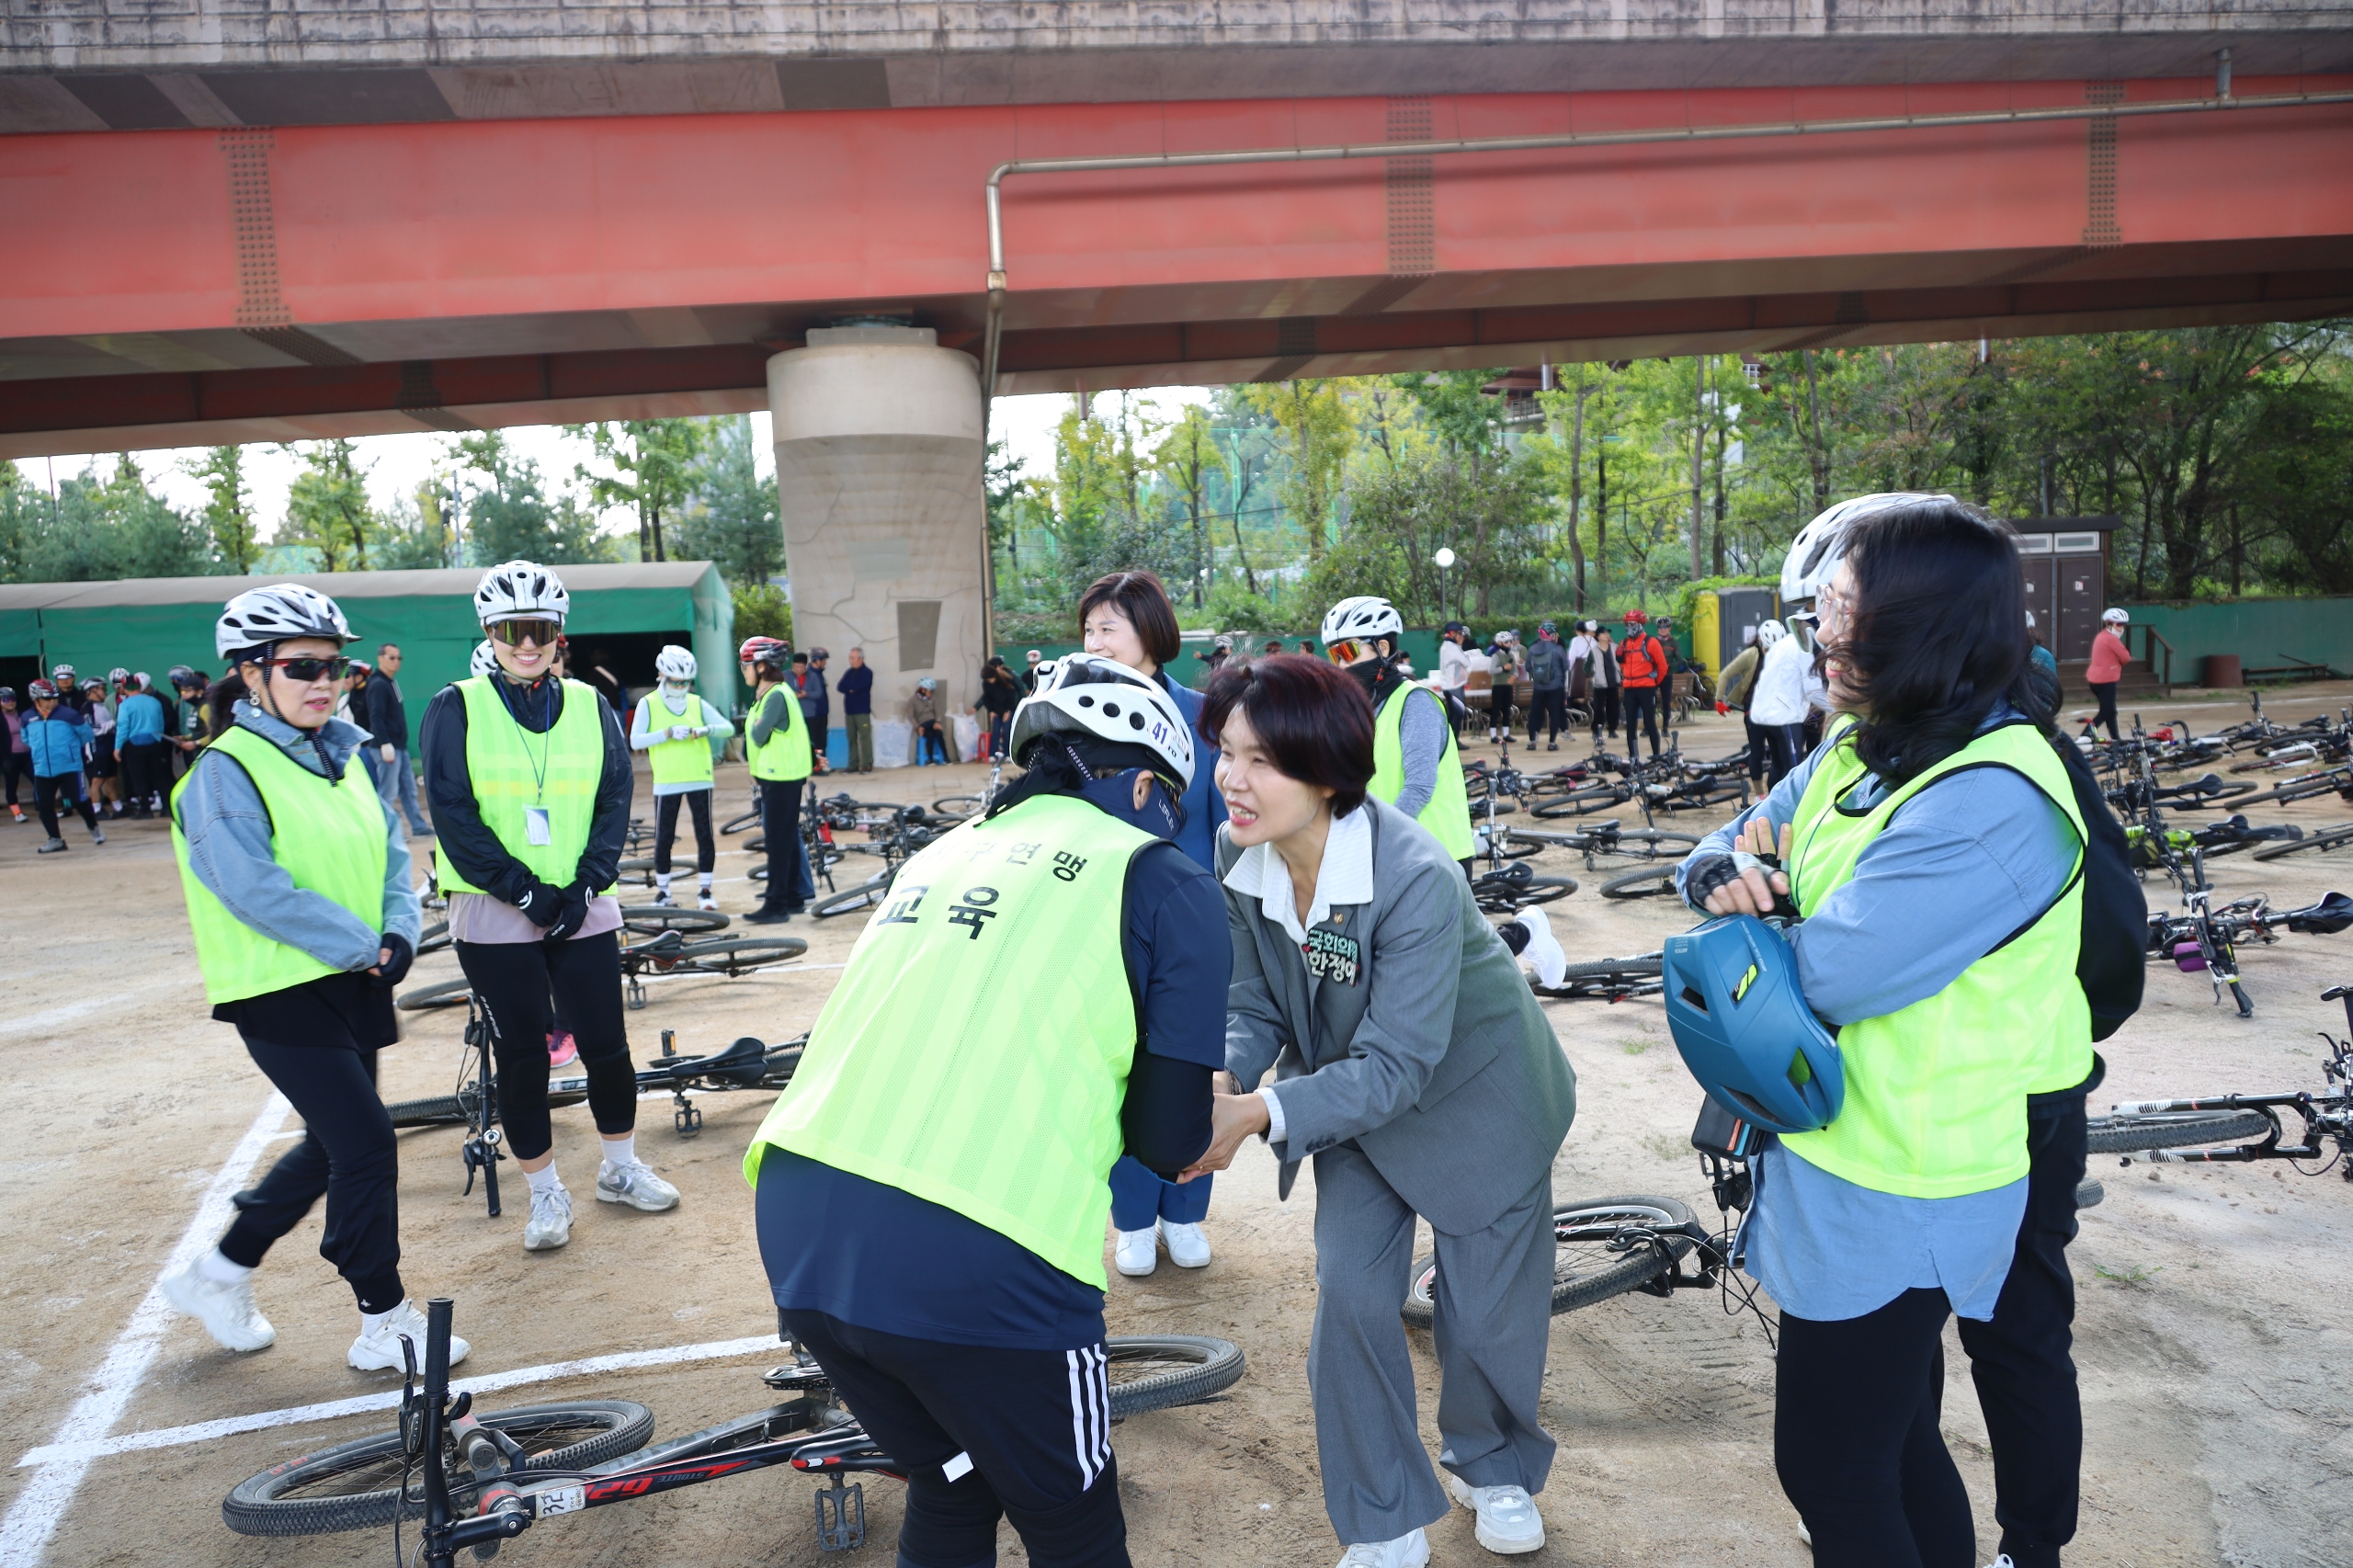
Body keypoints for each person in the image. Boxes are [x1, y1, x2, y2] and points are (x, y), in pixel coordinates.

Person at [1676, 497, 2087, 1568]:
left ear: (1925, 624)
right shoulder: (1865, 743)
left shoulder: (1992, 798)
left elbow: (1827, 974)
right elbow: (1733, 838)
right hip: (1842, 1151)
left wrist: (1754, 922)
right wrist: (1721, 870)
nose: (1820, 633)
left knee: (1830, 1468)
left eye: (1842, 610)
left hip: (1913, 1174)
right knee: (1894, 1445)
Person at [745, 653, 1222, 1568]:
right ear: (1138, 784)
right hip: (984, 1256)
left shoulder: (941, 851)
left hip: (803, 1220)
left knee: (953, 1481)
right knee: (1076, 1532)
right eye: (1171, 798)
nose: (1173, 818)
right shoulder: (1162, 878)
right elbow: (1170, 1140)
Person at [1182, 654, 1577, 1568]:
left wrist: (1259, 1113)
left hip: (1481, 1098)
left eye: (1260, 760)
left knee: (1487, 1313)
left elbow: (1401, 1060)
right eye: (1226, 753)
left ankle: (1493, 1463)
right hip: (1348, 1099)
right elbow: (1252, 1000)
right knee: (1352, 1296)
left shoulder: (1414, 874)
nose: (1232, 779)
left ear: (1327, 772)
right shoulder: (1238, 851)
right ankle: (1382, 1510)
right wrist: (1224, 1077)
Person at [154, 584, 455, 1370]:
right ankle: (383, 1318)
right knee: (365, 1143)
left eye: (335, 667)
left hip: (357, 975)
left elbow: (390, 852)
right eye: (301, 667)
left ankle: (219, 1273)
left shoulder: (343, 754)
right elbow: (252, 888)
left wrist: (399, 931)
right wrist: (365, 945)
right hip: (279, 988)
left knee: (332, 1145)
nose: (324, 682)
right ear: (252, 674)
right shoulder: (224, 771)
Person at [422, 560, 679, 1255]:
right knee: (523, 1058)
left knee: (606, 1046)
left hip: (581, 900)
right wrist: (524, 890)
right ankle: (545, 1192)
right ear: (489, 632)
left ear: (559, 632)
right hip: (495, 904)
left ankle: (619, 1170)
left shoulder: (592, 704)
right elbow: (452, 811)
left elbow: (615, 795)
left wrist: (587, 881)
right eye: (512, 630)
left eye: (540, 629)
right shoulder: (455, 705)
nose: (527, 643)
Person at [1077, 568, 1231, 1275]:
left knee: (1188, 1071)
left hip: (1192, 928)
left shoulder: (1203, 716)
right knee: (1118, 1073)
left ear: (1151, 631)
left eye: (1108, 627)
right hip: (1108, 926)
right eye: (1088, 630)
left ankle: (1186, 1212)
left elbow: (1228, 824)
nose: (1095, 641)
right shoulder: (1076, 713)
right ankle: (1135, 1221)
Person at [1321, 597, 1474, 876]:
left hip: (1434, 858)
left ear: (1382, 648)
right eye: (1334, 655)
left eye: (1347, 651)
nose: (1341, 666)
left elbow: (1419, 787)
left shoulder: (1415, 702)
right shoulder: (1363, 709)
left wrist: (1376, 839)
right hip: (1394, 856)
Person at [628, 645, 734, 910]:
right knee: (664, 837)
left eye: (685, 682)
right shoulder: (648, 703)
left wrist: (705, 730)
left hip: (699, 776)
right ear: (661, 675)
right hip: (667, 780)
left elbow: (728, 728)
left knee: (704, 834)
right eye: (675, 682)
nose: (680, 687)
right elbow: (635, 740)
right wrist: (666, 733)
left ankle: (706, 891)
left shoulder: (696, 702)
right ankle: (663, 893)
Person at [742, 635, 813, 925]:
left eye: (746, 665)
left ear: (761, 667)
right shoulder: (771, 694)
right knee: (786, 838)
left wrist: (760, 726)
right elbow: (761, 732)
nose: (743, 671)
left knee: (777, 842)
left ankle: (776, 905)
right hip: (781, 775)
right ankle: (793, 897)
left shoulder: (774, 696)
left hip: (781, 777)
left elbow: (758, 735)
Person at [23, 679, 104, 852]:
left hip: (69, 767)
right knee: (44, 805)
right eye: (47, 698)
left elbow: (86, 735)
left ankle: (93, 827)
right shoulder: (27, 717)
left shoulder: (69, 714)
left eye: (54, 697)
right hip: (42, 769)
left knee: (79, 800)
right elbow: (26, 738)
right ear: (36, 699)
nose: (52, 701)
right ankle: (56, 839)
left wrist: (70, 750)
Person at [365, 642, 434, 837]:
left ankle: (418, 826)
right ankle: (382, 832)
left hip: (399, 747)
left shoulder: (390, 682)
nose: (396, 661)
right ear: (380, 659)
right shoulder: (378, 684)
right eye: (392, 658)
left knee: (409, 789)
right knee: (388, 792)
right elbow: (376, 716)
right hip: (387, 747)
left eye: (399, 658)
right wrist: (384, 743)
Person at [1747, 618, 1814, 785]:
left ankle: (1772, 798)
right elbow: (1812, 687)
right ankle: (1789, 799)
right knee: (1793, 767)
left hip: (1764, 715)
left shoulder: (1775, 651)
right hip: (1784, 717)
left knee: (1778, 764)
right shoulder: (1799, 648)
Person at [1713, 626, 1768, 790]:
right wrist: (1719, 699)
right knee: (1757, 752)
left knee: (1779, 752)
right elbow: (1725, 674)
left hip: (1774, 708)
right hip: (1753, 707)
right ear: (1759, 640)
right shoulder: (1750, 655)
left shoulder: (1780, 654)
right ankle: (1759, 793)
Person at [114, 674, 170, 819]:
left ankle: (145, 809)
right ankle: (167, 807)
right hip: (155, 741)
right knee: (159, 776)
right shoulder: (154, 702)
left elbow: (122, 728)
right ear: (140, 686)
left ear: (124, 688)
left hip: (134, 744)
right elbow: (160, 723)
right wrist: (158, 740)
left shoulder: (125, 705)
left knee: (138, 777)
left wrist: (117, 748)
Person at [1617, 610, 1669, 757]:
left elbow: (1662, 666)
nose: (1629, 627)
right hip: (1629, 689)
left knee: (1650, 723)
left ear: (1640, 624)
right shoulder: (1624, 643)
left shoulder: (1651, 642)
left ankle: (1656, 756)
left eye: (1632, 624)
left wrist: (1654, 683)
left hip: (1646, 688)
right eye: (1627, 624)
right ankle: (1634, 757)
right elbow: (1622, 664)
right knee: (1630, 725)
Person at [1523, 622, 1570, 750]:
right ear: (1552, 635)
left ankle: (1532, 742)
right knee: (1555, 714)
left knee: (1535, 714)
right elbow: (1566, 666)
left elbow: (1527, 667)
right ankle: (1552, 743)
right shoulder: (1558, 649)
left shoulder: (1532, 649)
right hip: (1556, 687)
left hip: (1538, 687)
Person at [2085, 607, 2128, 742]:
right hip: (2106, 680)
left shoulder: (2101, 636)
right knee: (2107, 711)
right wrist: (2118, 663)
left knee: (2110, 710)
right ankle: (2085, 736)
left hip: (2095, 680)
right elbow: (2126, 657)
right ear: (2109, 623)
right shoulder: (2111, 639)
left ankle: (2116, 738)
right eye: (2119, 624)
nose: (2122, 628)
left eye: (2123, 625)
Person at [80, 677, 120, 815]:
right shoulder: (87, 708)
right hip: (97, 747)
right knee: (98, 780)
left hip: (109, 744)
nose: (105, 692)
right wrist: (113, 723)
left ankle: (118, 807)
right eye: (102, 689)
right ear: (92, 690)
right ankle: (96, 809)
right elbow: (91, 729)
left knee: (111, 779)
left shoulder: (103, 705)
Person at [837, 646, 876, 773]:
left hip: (862, 711)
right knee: (851, 738)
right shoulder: (849, 673)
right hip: (849, 711)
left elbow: (857, 687)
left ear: (861, 659)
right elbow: (840, 686)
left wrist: (851, 688)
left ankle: (867, 764)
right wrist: (850, 689)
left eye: (853, 658)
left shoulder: (867, 672)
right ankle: (853, 764)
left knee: (864, 737)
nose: (851, 661)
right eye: (850, 658)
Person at [977, 657, 1019, 762]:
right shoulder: (986, 684)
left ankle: (1008, 754)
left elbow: (1011, 697)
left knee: (1007, 730)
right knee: (995, 730)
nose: (990, 681)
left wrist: (1008, 711)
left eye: (990, 679)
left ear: (995, 675)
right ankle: (992, 754)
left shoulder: (1006, 680)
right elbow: (986, 698)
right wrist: (991, 711)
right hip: (996, 711)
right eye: (987, 680)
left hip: (1007, 709)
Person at [1435, 623, 1472, 735]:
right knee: (1458, 715)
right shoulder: (1453, 648)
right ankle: (1454, 742)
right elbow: (1467, 663)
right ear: (1452, 634)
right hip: (1454, 687)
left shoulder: (1446, 645)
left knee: (1452, 715)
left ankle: (1450, 741)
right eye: (1460, 633)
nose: (1462, 636)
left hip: (1448, 686)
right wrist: (1461, 647)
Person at [2, 686, 32, 824]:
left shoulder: (22, 714)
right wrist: (4, 759)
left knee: (38, 780)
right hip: (11, 757)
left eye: (12, 699)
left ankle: (42, 806)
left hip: (27, 754)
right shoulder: (2, 718)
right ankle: (17, 812)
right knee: (12, 784)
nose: (10, 702)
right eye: (5, 700)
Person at [1586, 628, 1620, 742]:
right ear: (1598, 636)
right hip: (1599, 683)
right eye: (1604, 633)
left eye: (1607, 633)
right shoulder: (1594, 650)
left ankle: (1612, 729)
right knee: (1599, 708)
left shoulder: (1615, 647)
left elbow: (1621, 660)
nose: (1606, 635)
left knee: (1613, 707)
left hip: (1613, 682)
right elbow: (1586, 667)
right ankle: (1597, 730)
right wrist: (1593, 674)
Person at [804, 647, 834, 775]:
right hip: (813, 714)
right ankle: (816, 768)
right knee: (814, 742)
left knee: (822, 742)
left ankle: (822, 766)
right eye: (824, 660)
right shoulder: (809, 675)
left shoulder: (819, 674)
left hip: (822, 712)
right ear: (817, 660)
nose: (825, 663)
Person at [909, 677, 949, 766]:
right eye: (930, 691)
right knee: (929, 735)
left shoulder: (933, 698)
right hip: (922, 724)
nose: (932, 693)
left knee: (939, 733)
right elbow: (910, 716)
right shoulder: (912, 700)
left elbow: (938, 712)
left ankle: (946, 757)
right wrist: (917, 727)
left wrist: (937, 721)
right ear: (923, 689)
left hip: (933, 722)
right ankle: (930, 759)